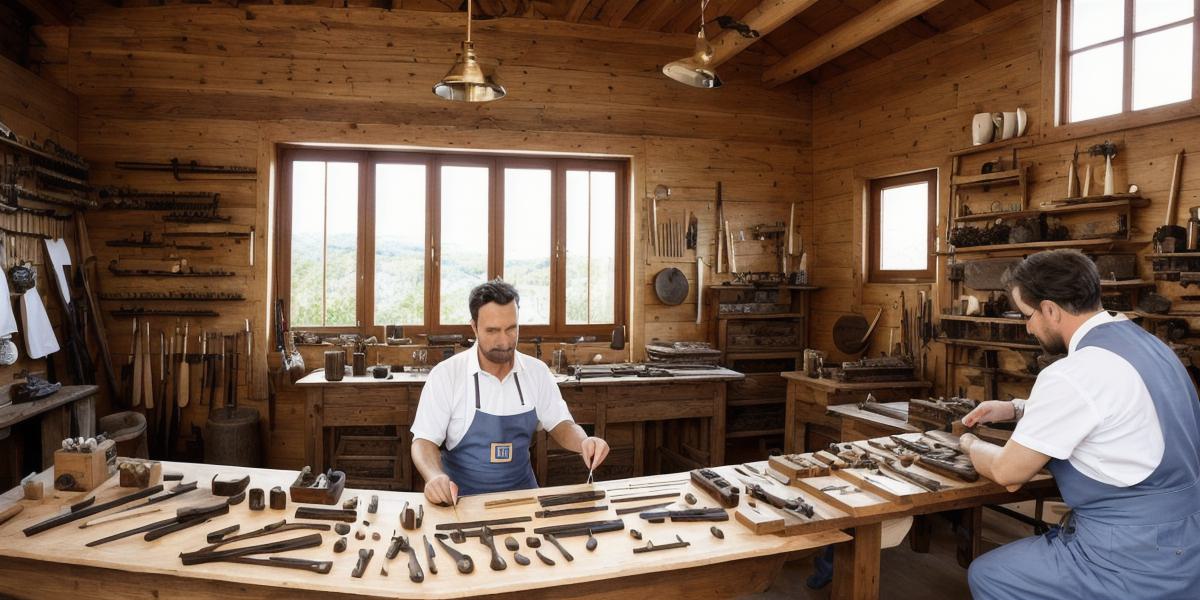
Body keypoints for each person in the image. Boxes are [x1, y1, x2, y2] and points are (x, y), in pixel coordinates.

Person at [960, 249, 1200, 599]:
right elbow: (1120, 410)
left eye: (1027, 315)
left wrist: (967, 444)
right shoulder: (1151, 346)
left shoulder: (1073, 372)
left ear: (1050, 310)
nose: (1028, 328)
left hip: (1132, 555)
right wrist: (1016, 408)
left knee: (989, 575)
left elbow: (1008, 474)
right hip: (1187, 539)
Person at [411, 279, 610, 505]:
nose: (504, 341)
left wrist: (584, 442)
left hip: (523, 499)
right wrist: (435, 476)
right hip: (461, 502)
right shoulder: (447, 375)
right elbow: (423, 441)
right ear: (474, 327)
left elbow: (561, 424)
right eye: (493, 331)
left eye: (511, 329)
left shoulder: (537, 372)